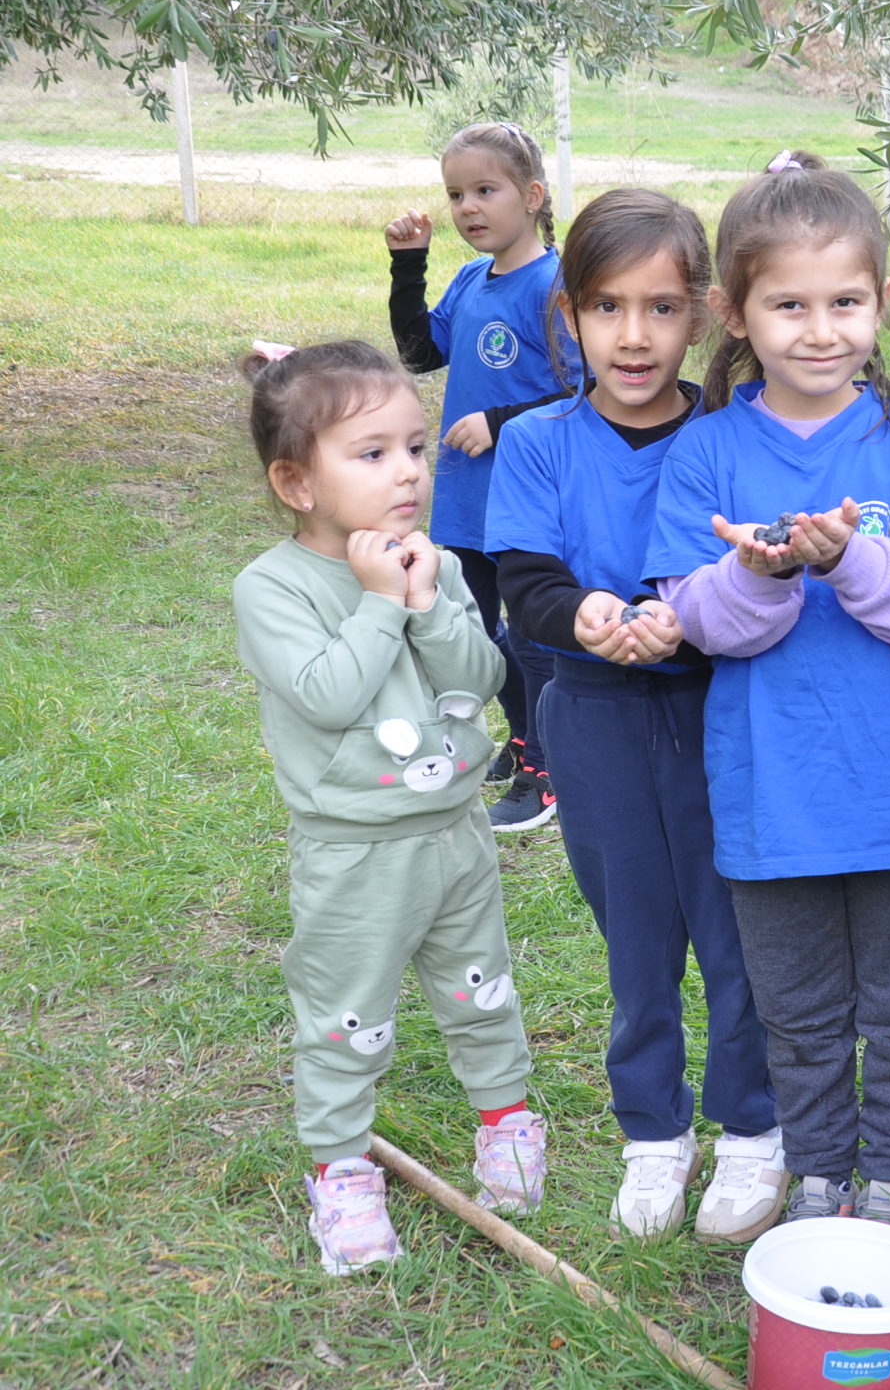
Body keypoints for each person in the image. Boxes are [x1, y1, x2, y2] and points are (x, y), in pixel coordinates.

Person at [643, 151, 890, 1236]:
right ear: (734, 313)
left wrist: (848, 561)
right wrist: (758, 572)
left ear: (882, 301)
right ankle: (818, 1172)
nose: (820, 328)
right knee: (794, 1011)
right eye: (787, 304)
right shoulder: (704, 451)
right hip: (771, 798)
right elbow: (695, 618)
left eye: (844, 301)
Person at [483, 188, 786, 1245]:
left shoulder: (733, 434)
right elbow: (524, 578)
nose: (634, 335)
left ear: (702, 312)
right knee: (636, 935)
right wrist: (595, 612)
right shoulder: (535, 440)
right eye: (608, 307)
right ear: (567, 314)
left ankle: (753, 1125)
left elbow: (756, 570)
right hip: (594, 709)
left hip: (720, 708)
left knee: (736, 925)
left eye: (660, 308)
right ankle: (654, 1131)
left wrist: (684, 620)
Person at [231, 339, 544, 1276]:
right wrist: (380, 603)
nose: (408, 471)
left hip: (454, 833)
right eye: (372, 454)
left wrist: (428, 598)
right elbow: (327, 694)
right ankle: (341, 1172)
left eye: (415, 447)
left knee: (479, 988)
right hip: (355, 855)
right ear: (297, 482)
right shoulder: (272, 587)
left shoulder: (435, 565)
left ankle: (506, 1123)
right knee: (346, 1014)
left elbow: (485, 674)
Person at [385, 121, 582, 834]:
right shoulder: (472, 277)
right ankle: (525, 734)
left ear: (531, 196)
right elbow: (418, 353)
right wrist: (410, 265)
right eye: (456, 194)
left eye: (485, 190)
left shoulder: (556, 286)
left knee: (531, 633)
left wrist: (501, 420)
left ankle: (548, 766)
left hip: (525, 498)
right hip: (467, 496)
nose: (468, 207)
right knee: (473, 628)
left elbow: (588, 390)